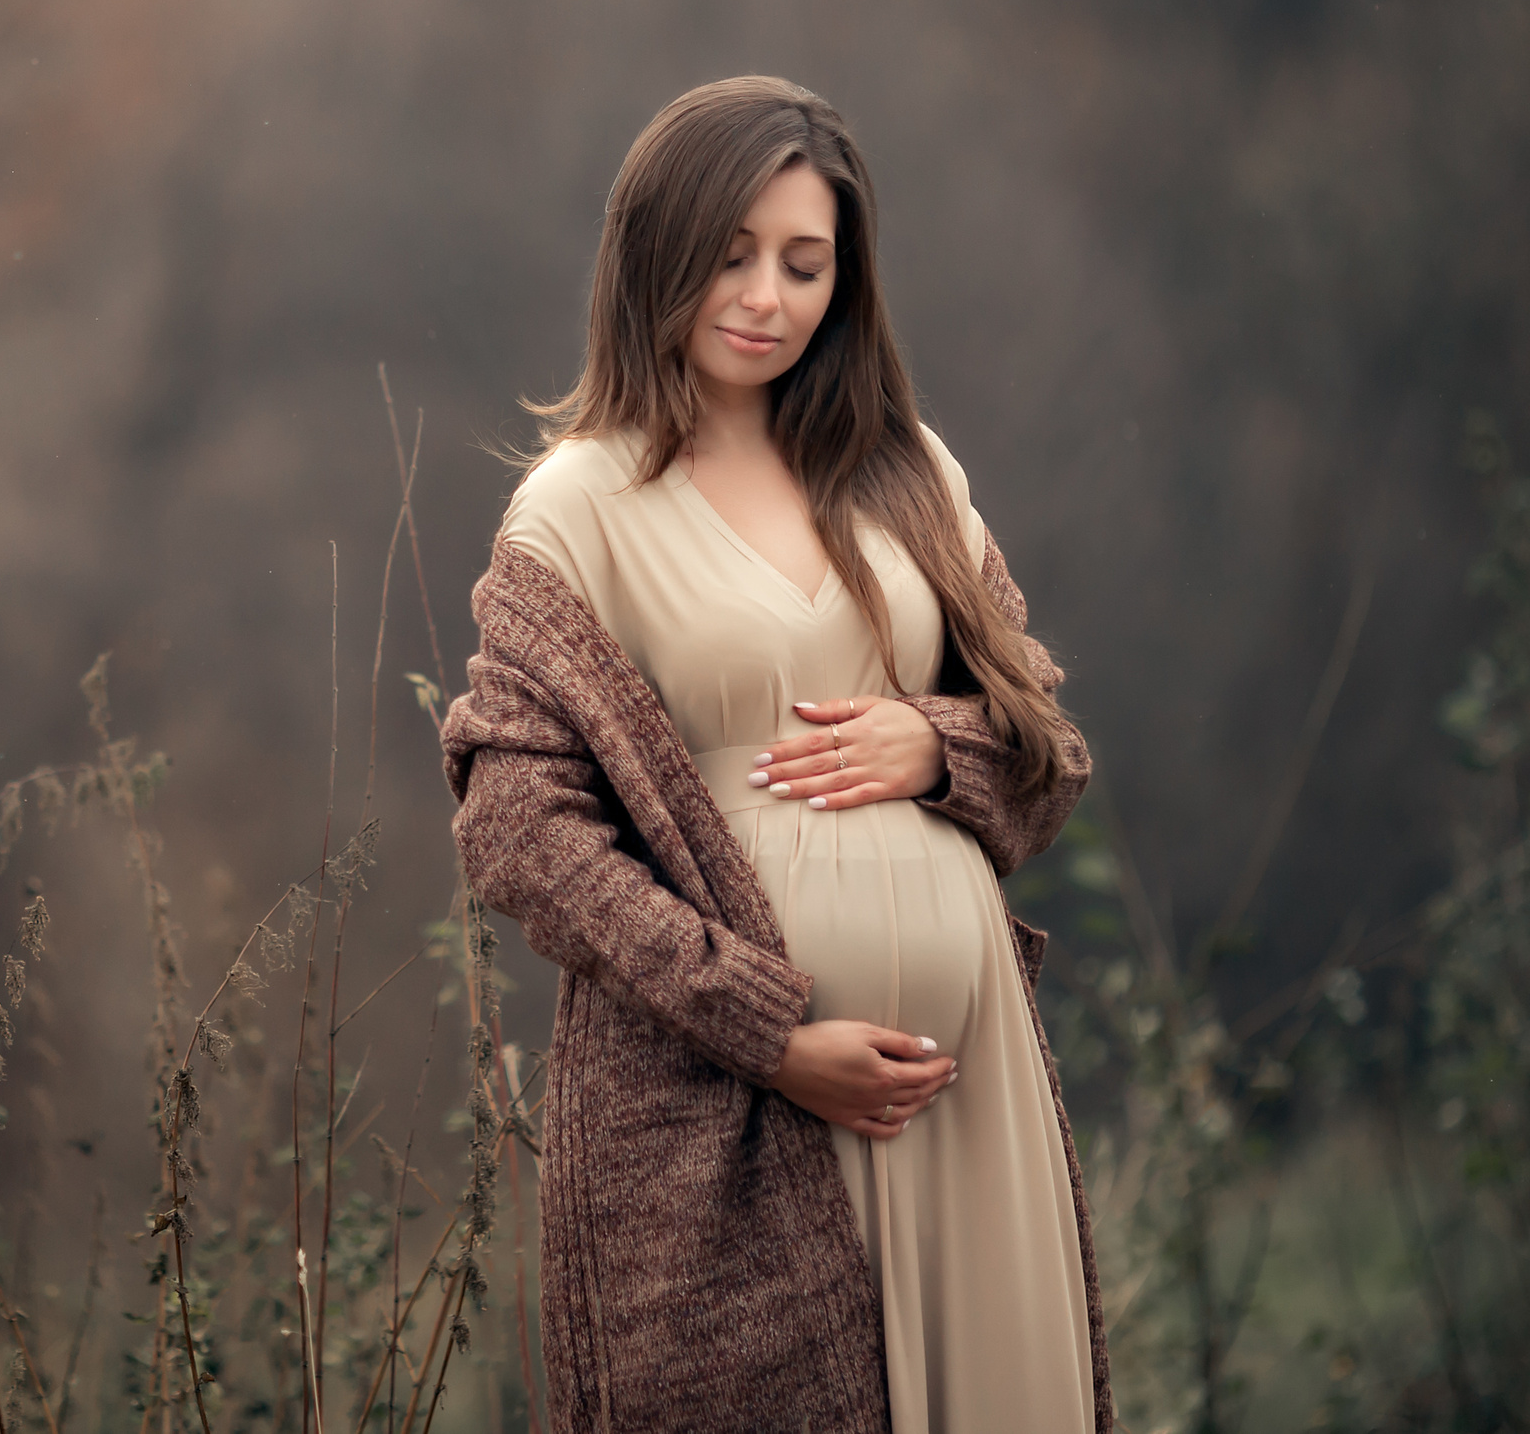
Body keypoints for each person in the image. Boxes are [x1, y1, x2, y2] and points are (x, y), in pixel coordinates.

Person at [440, 76, 1110, 1432]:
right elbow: (519, 831)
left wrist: (936, 745)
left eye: (806, 265)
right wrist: (770, 1031)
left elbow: (1046, 752)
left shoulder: (910, 474)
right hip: (732, 1113)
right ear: (657, 257)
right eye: (731, 256)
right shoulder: (579, 506)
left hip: (968, 1117)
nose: (767, 296)